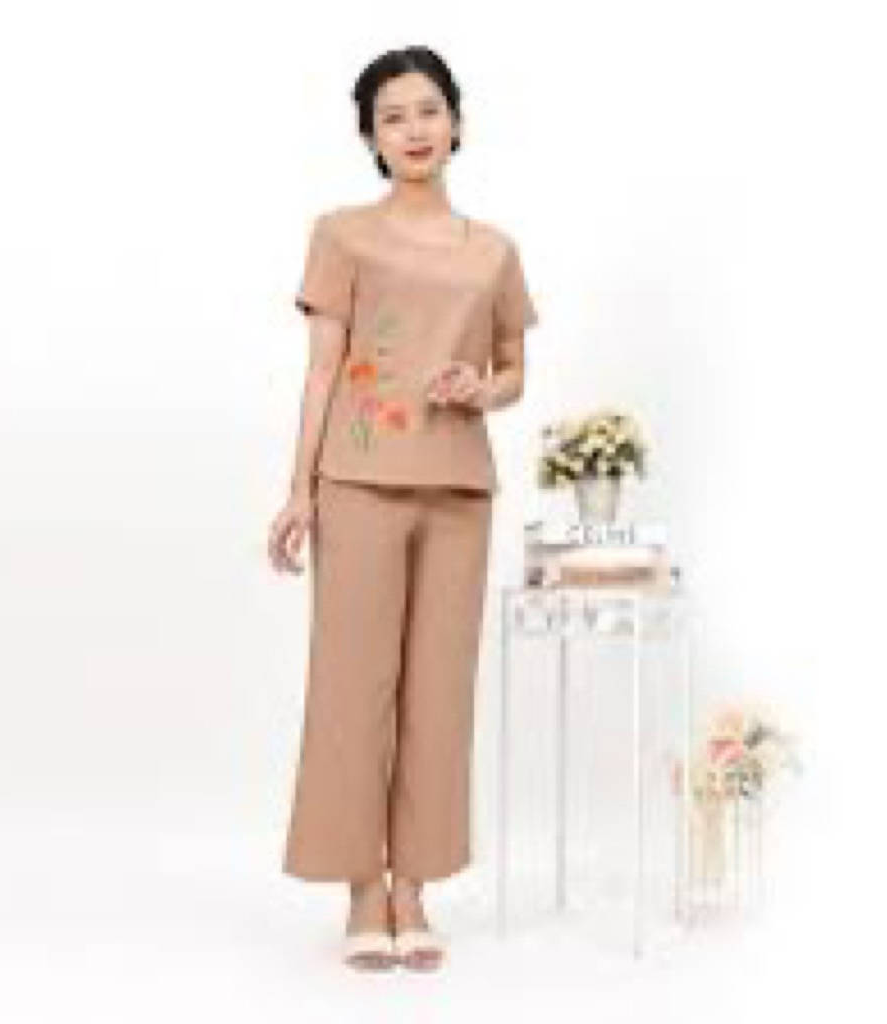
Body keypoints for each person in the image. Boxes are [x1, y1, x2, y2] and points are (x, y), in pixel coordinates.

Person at [267, 45, 538, 972]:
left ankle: (414, 889)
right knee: (353, 691)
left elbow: (514, 369)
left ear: (457, 123)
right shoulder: (341, 235)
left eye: (429, 110)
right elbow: (321, 370)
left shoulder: (494, 251)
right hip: (357, 480)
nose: (414, 129)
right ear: (371, 138)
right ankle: (363, 891)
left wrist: (482, 388)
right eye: (393, 117)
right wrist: (297, 490)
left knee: (439, 694)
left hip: (459, 486)